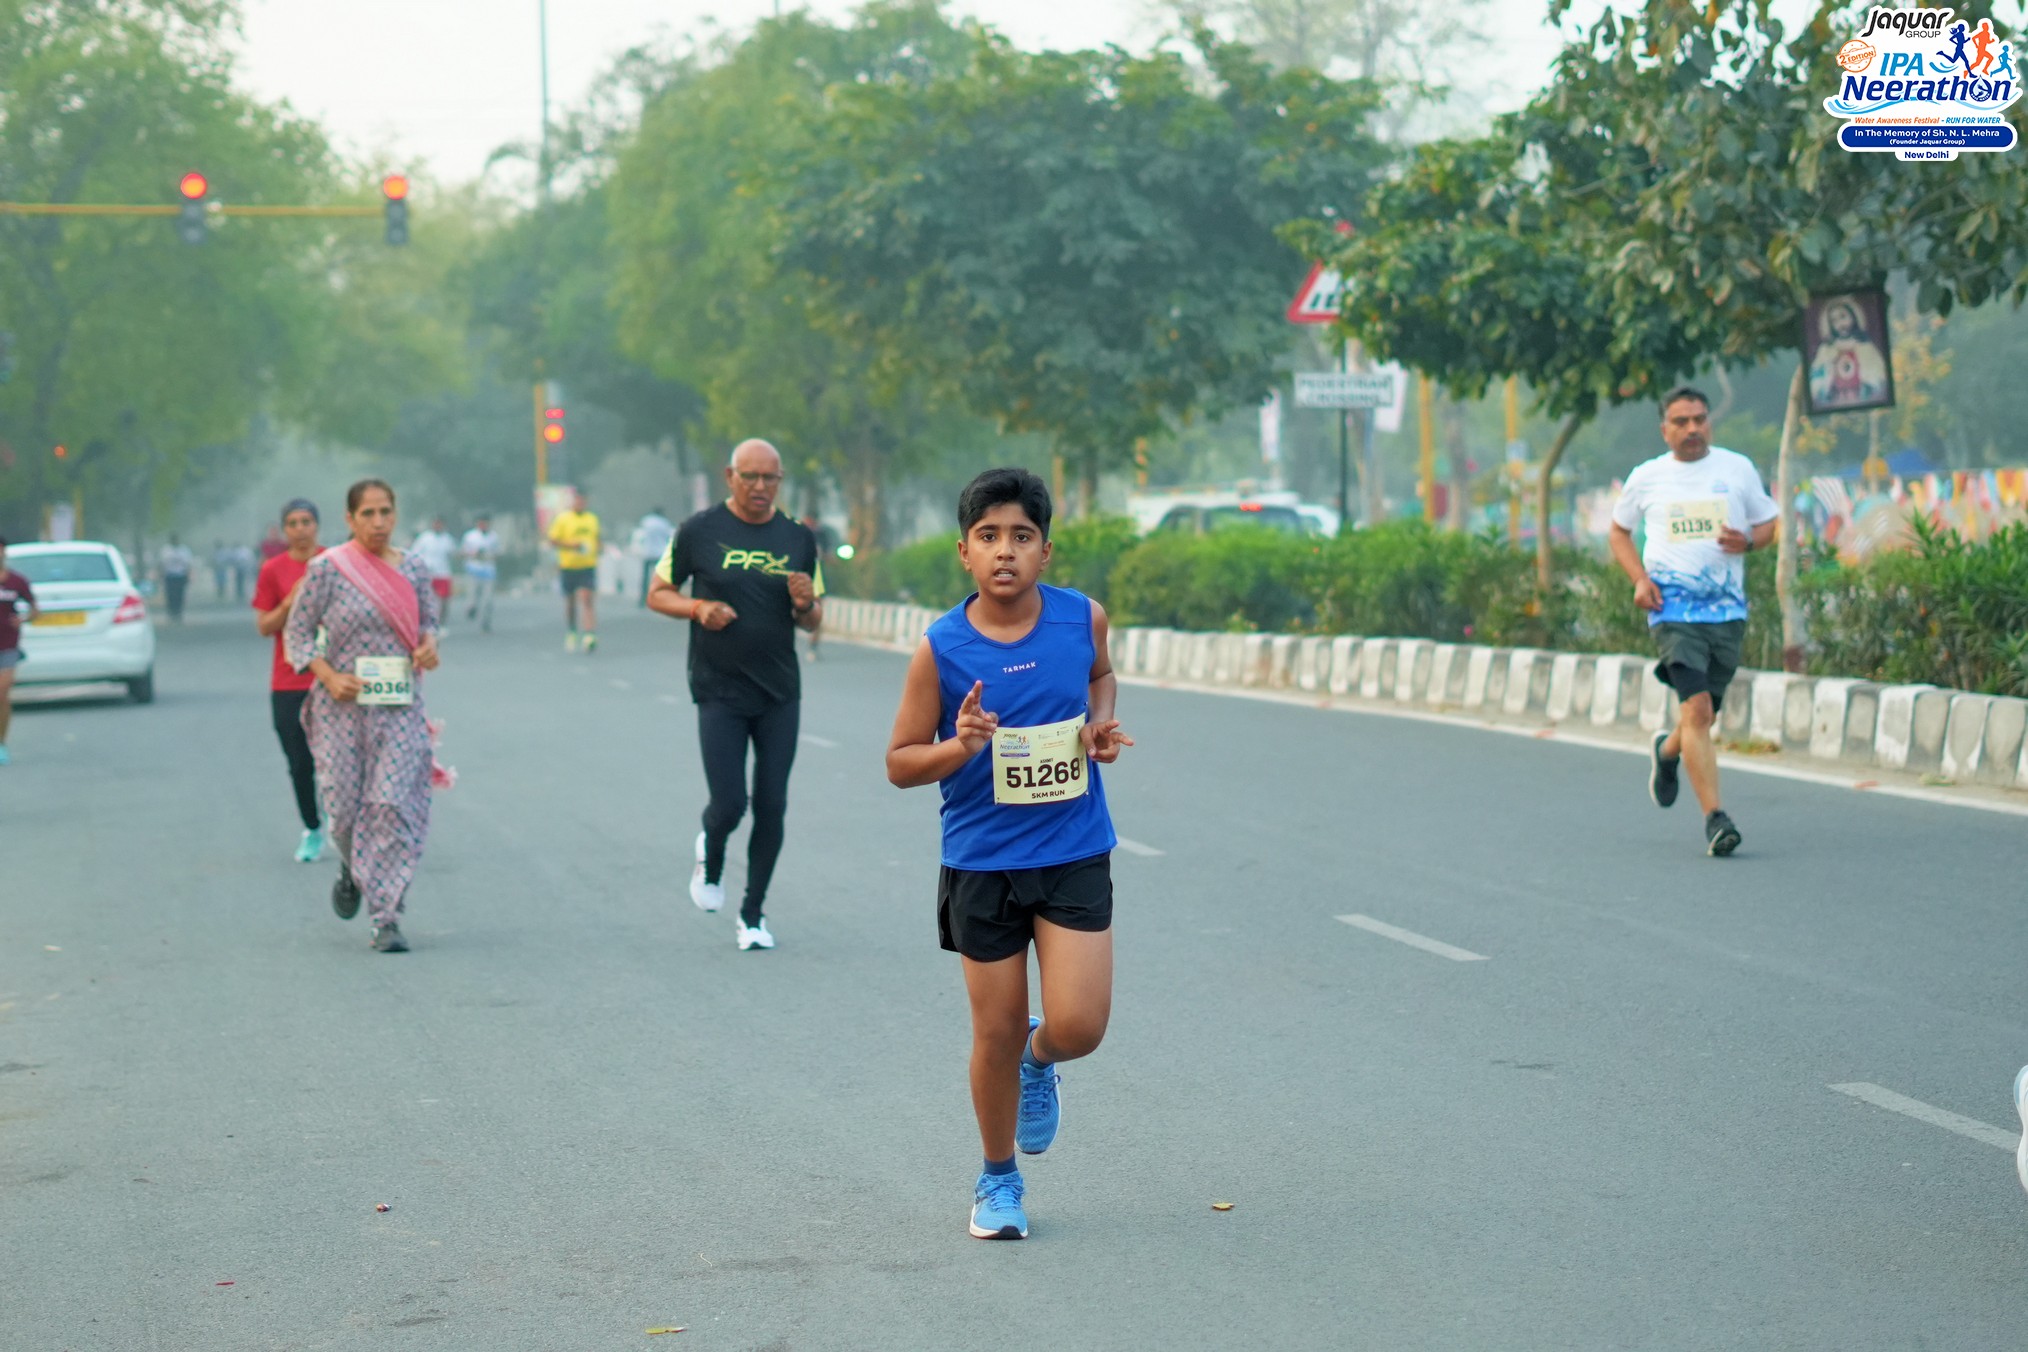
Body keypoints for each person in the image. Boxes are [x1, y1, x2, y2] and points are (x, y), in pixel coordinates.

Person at [884, 467, 1134, 1242]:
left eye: (1021, 536)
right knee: (989, 1032)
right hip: (982, 862)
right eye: (988, 536)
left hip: (1073, 849)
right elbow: (899, 763)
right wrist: (959, 746)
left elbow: (1101, 675)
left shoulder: (1081, 619)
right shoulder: (941, 648)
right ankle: (998, 1180)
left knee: (1080, 1026)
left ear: (1045, 550)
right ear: (964, 551)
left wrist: (1099, 724)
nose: (1005, 551)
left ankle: (1040, 1056)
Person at [648, 439, 823, 951]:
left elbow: (813, 620)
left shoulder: (797, 538)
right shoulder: (698, 531)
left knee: (772, 804)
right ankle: (712, 848)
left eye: (770, 478)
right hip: (719, 688)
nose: (760, 487)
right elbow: (657, 593)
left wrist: (806, 605)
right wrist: (697, 609)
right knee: (729, 803)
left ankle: (753, 914)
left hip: (779, 691)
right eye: (750, 477)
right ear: (730, 477)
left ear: (780, 481)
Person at [1608, 386, 1777, 857]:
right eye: (1681, 422)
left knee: (1701, 716)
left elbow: (1768, 524)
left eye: (1699, 419)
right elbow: (1618, 531)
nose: (1692, 429)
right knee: (1698, 710)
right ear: (1664, 430)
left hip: (1727, 611)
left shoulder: (1736, 469)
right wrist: (1639, 579)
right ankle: (1715, 819)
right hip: (1672, 611)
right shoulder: (1647, 477)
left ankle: (1667, 752)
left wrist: (1748, 541)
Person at [284, 479, 444, 953]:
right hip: (341, 709)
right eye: (368, 514)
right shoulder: (328, 569)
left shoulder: (413, 567)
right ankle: (351, 866)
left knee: (388, 807)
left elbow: (429, 623)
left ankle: (386, 917)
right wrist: (329, 676)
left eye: (385, 512)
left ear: (395, 514)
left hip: (397, 708)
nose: (378, 522)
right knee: (345, 813)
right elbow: (298, 634)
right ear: (350, 519)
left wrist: (429, 647)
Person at [252, 499, 327, 862]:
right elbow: (264, 626)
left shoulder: (335, 563)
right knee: (300, 763)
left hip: (333, 679)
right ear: (284, 530)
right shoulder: (273, 570)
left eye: (306, 521)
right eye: (293, 523)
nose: (300, 529)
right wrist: (289, 603)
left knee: (339, 760)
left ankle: (345, 823)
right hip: (289, 682)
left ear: (317, 526)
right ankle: (312, 827)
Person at [0, 536, 40, 767]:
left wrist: (23, 618)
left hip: (8, 645)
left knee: (2, 693)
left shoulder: (17, 581)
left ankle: (1, 743)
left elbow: (35, 610)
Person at [548, 490, 601, 652]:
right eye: (577, 500)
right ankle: (572, 630)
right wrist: (572, 546)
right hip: (568, 566)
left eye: (583, 501)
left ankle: (589, 635)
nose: (580, 504)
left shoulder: (592, 519)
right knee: (571, 602)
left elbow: (596, 539)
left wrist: (599, 548)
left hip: (587, 565)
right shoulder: (563, 519)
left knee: (587, 598)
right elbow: (553, 540)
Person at [411, 516, 458, 629]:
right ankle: (426, 623)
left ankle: (441, 623)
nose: (438, 526)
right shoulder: (425, 538)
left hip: (443, 572)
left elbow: (453, 553)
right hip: (428, 573)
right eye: (436, 524)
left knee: (444, 601)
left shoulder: (447, 539)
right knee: (426, 599)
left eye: (440, 524)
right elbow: (415, 553)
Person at [459, 513, 501, 632]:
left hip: (488, 572)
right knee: (473, 599)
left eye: (485, 523)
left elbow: (498, 553)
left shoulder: (494, 537)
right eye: (481, 523)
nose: (483, 525)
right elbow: (462, 552)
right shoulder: (470, 536)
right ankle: (471, 609)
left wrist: (489, 556)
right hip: (474, 570)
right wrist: (473, 554)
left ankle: (485, 622)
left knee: (488, 600)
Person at [632, 506, 676, 608]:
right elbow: (670, 537)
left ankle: (643, 599)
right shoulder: (665, 523)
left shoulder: (647, 521)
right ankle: (661, 598)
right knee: (661, 578)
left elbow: (641, 536)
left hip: (648, 552)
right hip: (660, 553)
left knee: (645, 578)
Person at [158, 536, 194, 622]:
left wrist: (188, 575)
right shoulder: (166, 550)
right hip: (169, 576)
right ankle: (171, 612)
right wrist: (161, 574)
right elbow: (161, 564)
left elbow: (188, 564)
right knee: (170, 595)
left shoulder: (184, 550)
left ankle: (178, 612)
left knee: (179, 595)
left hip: (180, 575)